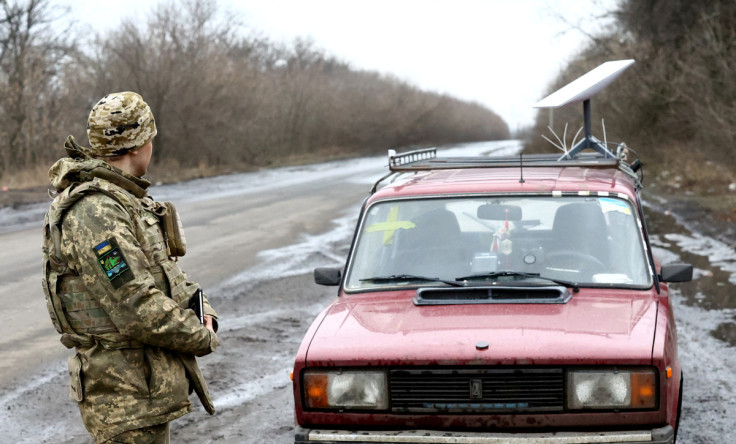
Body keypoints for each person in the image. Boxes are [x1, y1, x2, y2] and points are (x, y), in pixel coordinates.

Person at [41, 92, 219, 443]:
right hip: (124, 398)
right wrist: (200, 335)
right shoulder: (97, 212)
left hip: (144, 391)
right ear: (140, 144)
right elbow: (135, 305)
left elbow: (167, 273)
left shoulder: (126, 200)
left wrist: (203, 308)